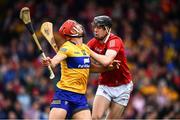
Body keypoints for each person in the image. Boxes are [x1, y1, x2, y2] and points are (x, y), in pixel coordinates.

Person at [42, 19, 119, 119]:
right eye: (77, 26)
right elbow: (55, 61)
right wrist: (49, 62)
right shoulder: (67, 47)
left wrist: (108, 68)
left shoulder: (85, 48)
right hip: (64, 94)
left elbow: (91, 67)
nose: (80, 27)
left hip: (80, 97)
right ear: (72, 32)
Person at [87, 15, 133, 119]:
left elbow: (107, 61)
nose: (95, 30)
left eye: (99, 27)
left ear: (107, 29)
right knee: (95, 118)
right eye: (95, 27)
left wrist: (88, 51)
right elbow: (83, 60)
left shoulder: (115, 40)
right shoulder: (93, 42)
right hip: (105, 85)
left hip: (123, 86)